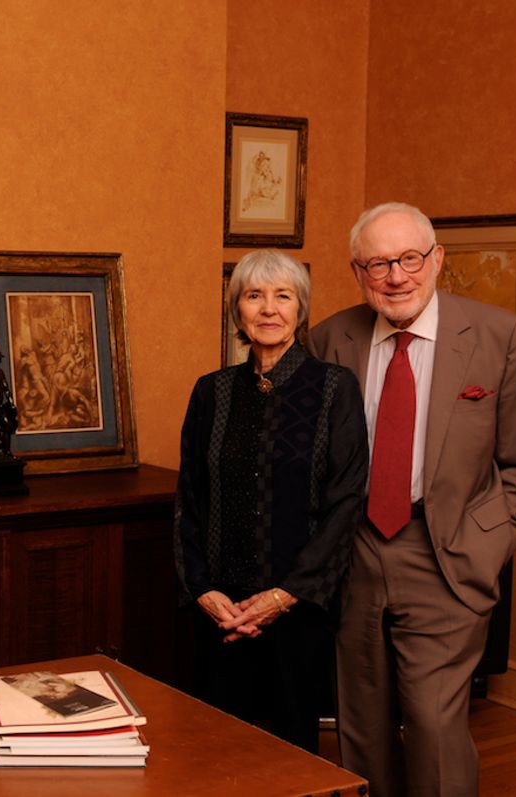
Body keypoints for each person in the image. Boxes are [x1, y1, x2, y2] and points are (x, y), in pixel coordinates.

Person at [309, 202, 516, 796]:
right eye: (378, 264)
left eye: (409, 258)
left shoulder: (499, 335)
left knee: (435, 723)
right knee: (360, 725)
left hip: (446, 552)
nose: (396, 276)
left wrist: (481, 550)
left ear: (436, 259)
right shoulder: (330, 338)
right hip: (354, 551)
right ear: (359, 273)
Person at [173, 249, 368, 753]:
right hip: (222, 609)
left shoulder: (334, 389)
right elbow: (189, 499)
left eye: (282, 296)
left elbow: (345, 502)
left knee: (287, 752)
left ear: (300, 309)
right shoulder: (210, 393)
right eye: (253, 296)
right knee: (217, 746)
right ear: (237, 310)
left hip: (297, 609)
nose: (268, 309)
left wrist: (284, 597)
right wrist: (201, 590)